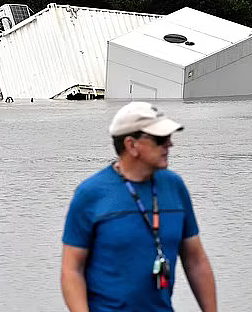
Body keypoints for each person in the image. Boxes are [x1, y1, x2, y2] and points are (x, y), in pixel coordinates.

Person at [61, 102, 216, 312]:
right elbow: (72, 270)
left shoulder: (175, 186)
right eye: (160, 139)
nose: (169, 145)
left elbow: (195, 260)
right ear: (131, 145)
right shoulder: (90, 194)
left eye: (169, 138)